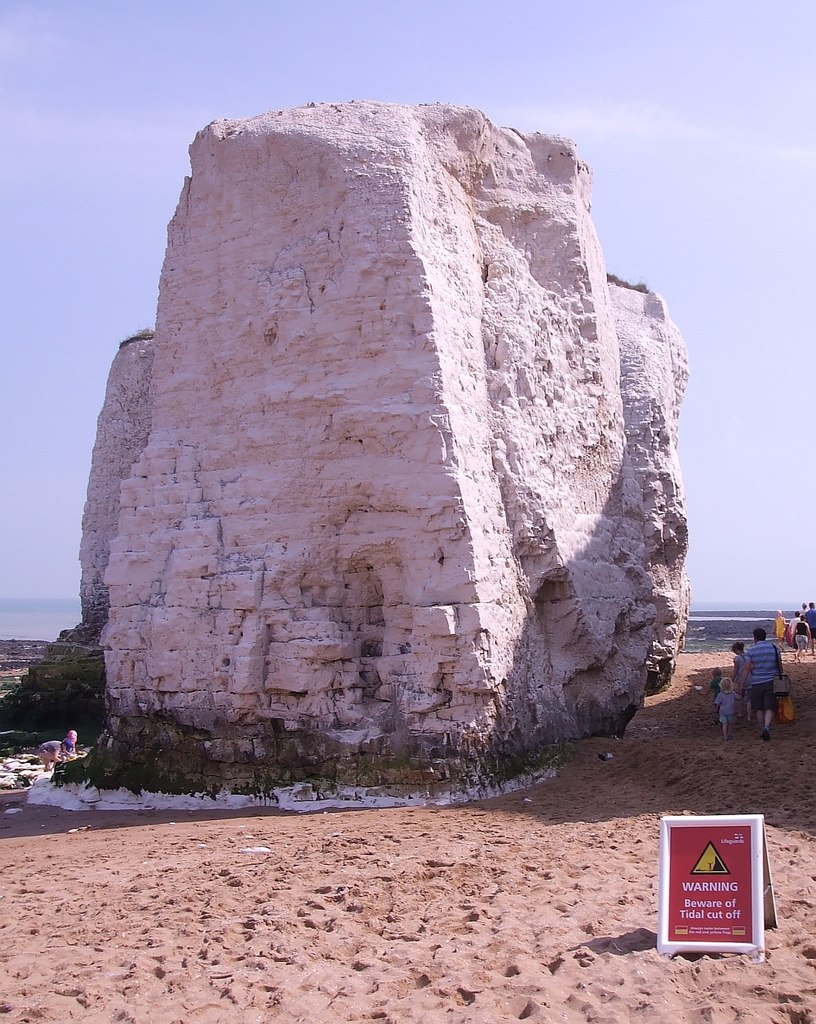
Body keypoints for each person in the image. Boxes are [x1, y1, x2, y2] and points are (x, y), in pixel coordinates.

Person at [738, 627, 781, 741]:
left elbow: (747, 668)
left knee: (758, 708)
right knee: (769, 706)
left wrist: (742, 683)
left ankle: (762, 728)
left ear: (754, 638)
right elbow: (779, 665)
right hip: (772, 680)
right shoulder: (774, 648)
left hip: (757, 681)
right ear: (765, 636)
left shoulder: (751, 650)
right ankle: (767, 727)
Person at [731, 642, 749, 720]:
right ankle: (749, 714)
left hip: (741, 678)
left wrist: (732, 679)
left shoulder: (737, 658)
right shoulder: (748, 656)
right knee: (749, 698)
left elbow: (736, 670)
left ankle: (740, 712)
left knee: (741, 695)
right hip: (750, 677)